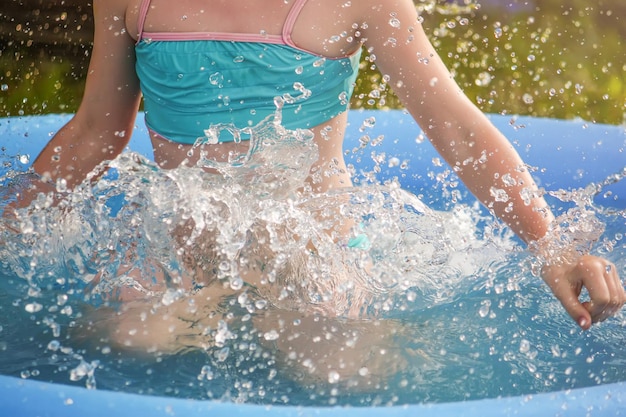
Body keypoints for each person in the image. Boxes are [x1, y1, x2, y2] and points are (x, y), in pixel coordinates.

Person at [14, 0, 624, 337]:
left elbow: (456, 126)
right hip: (185, 258)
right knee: (124, 340)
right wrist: (12, 219)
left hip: (312, 263)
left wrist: (551, 244)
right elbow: (97, 130)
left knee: (339, 370)